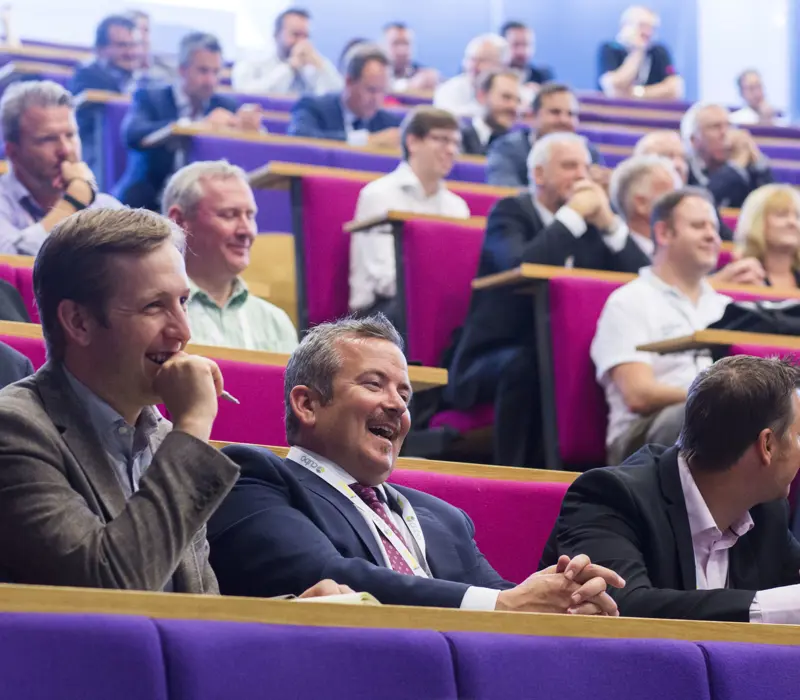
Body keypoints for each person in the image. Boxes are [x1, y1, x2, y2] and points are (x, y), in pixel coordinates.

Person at [0, 207, 349, 600]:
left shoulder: (164, 437)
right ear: (78, 322)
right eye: (154, 306)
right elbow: (108, 590)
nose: (183, 330)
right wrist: (194, 425)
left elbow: (196, 609)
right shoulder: (15, 428)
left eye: (182, 301)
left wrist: (290, 615)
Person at [207, 314, 625, 611]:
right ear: (308, 404)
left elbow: (503, 597)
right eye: (374, 384)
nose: (396, 406)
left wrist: (560, 598)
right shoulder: (253, 478)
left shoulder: (443, 517)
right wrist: (506, 603)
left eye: (405, 396)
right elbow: (324, 572)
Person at [543, 354, 800, 623]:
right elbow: (624, 607)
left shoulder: (764, 509)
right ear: (767, 445)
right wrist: (768, 607)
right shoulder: (608, 496)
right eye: (799, 436)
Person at [447, 132, 649, 467]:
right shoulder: (511, 212)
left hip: (568, 351)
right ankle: (515, 476)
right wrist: (572, 215)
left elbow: (644, 282)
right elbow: (522, 266)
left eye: (586, 167)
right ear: (539, 175)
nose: (582, 176)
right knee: (530, 364)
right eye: (570, 166)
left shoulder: (593, 226)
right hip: (492, 356)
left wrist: (611, 225)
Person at [591, 187, 732, 465]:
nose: (711, 236)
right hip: (641, 437)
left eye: (714, 228)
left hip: (721, 423)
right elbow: (638, 394)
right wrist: (720, 400)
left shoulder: (726, 307)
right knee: (692, 416)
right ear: (664, 233)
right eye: (698, 226)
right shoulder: (629, 301)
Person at [114, 32, 261, 212]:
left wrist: (251, 129)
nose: (210, 81)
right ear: (182, 69)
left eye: (216, 72)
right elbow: (132, 134)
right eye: (203, 71)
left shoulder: (225, 105)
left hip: (206, 205)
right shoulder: (150, 97)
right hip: (147, 201)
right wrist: (197, 127)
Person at [349, 108, 469, 326]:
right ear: (413, 142)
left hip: (438, 302)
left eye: (455, 143)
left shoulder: (457, 207)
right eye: (441, 139)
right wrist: (440, 287)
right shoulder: (379, 194)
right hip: (381, 311)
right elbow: (385, 279)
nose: (451, 150)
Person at [163, 160, 298, 352]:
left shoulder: (276, 323)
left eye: (250, 216)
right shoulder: (156, 313)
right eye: (229, 215)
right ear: (179, 220)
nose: (247, 231)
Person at [0, 80, 122, 256]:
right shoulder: (80, 197)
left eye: (70, 135)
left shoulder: (101, 204)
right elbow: (10, 265)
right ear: (13, 152)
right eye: (47, 139)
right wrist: (72, 204)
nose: (66, 150)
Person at [610, 154, 766, 288]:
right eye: (672, 195)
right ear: (641, 204)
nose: (685, 203)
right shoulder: (610, 253)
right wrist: (715, 286)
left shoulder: (693, 250)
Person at [487, 83, 602, 188]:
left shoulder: (588, 152)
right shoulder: (506, 149)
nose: (564, 120)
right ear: (533, 116)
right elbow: (505, 192)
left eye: (571, 114)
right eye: (555, 112)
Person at [288, 44, 402, 148]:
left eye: (382, 91)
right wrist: (366, 140)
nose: (377, 99)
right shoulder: (313, 107)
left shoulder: (389, 124)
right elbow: (299, 137)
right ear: (349, 81)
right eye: (371, 90)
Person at [68, 15, 139, 177]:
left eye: (133, 45)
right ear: (100, 49)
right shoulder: (87, 77)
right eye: (122, 46)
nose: (130, 52)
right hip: (93, 149)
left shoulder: (144, 82)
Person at [681, 101, 774, 209]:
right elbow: (700, 202)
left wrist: (756, 159)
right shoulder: (684, 167)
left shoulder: (744, 163)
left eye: (729, 126)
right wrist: (734, 166)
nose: (725, 133)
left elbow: (771, 201)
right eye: (715, 127)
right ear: (693, 140)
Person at [232, 8, 341, 96]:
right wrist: (289, 68)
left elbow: (339, 95)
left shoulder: (312, 64)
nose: (301, 42)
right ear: (276, 34)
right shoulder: (253, 59)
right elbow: (246, 95)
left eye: (306, 36)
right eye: (295, 34)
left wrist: (321, 67)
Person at [597, 6, 683, 100]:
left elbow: (674, 89)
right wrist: (637, 52)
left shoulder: (659, 51)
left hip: (650, 111)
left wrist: (637, 92)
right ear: (625, 26)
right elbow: (614, 87)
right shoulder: (610, 49)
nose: (647, 33)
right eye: (642, 26)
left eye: (652, 28)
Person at [734, 184, 800, 289]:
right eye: (782, 214)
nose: (792, 222)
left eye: (797, 216)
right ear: (759, 223)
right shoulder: (743, 277)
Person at [433, 34, 508, 118]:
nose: (474, 66)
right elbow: (449, 118)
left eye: (483, 60)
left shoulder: (514, 93)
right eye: (471, 59)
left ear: (501, 66)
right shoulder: (448, 89)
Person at [460, 70, 520, 156]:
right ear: (482, 96)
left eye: (518, 100)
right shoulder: (457, 139)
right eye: (506, 97)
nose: (513, 106)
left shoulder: (518, 149)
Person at [382, 22, 439, 93]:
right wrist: (409, 86)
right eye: (396, 43)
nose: (402, 50)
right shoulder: (376, 76)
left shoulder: (424, 75)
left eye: (406, 43)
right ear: (383, 45)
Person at [124, 9, 176, 87]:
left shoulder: (166, 68)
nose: (142, 36)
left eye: (146, 30)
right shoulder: (123, 66)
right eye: (138, 29)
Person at [500, 21, 554, 90]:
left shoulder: (543, 77)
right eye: (516, 44)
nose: (522, 51)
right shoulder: (493, 77)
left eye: (526, 44)